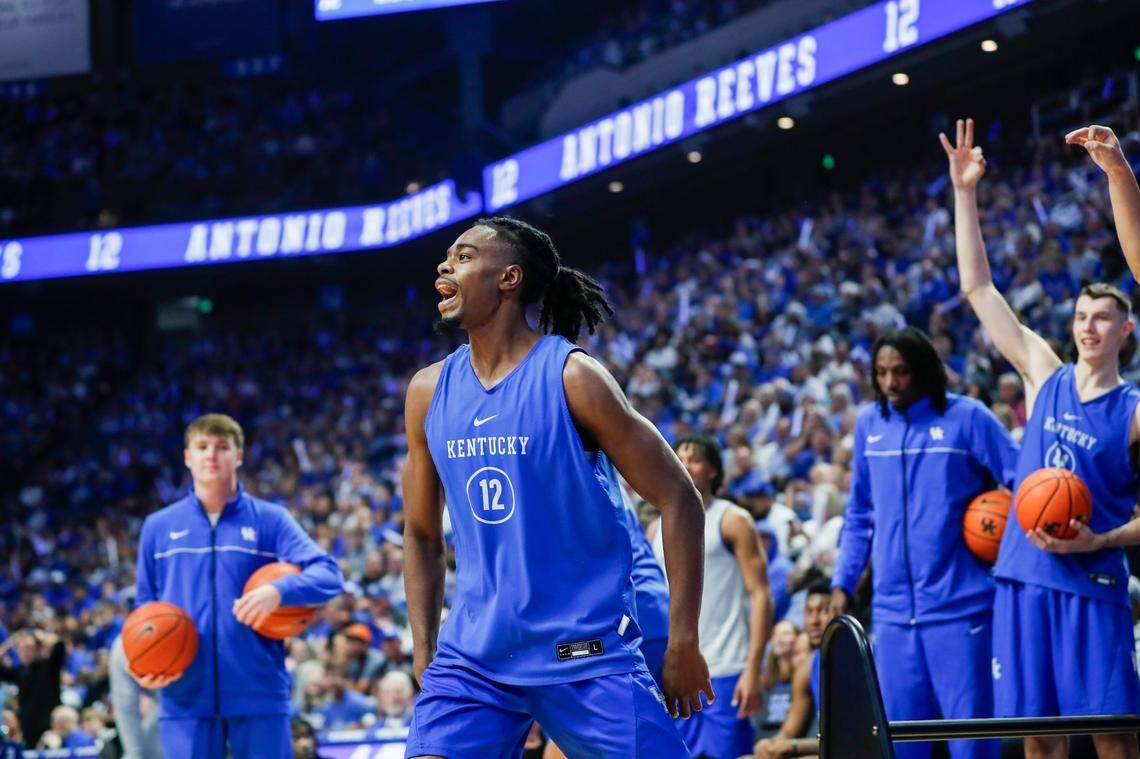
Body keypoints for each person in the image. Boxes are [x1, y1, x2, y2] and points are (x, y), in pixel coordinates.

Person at [402, 217, 711, 757]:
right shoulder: (427, 392)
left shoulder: (572, 377)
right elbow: (421, 533)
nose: (444, 266)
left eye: (465, 255)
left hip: (582, 653)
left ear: (509, 278)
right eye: (447, 257)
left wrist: (684, 639)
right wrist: (424, 646)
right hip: (474, 657)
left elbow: (679, 496)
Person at [943, 118, 1140, 759]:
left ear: (1124, 332)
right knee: (1038, 742)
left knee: (1114, 738)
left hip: (1094, 578)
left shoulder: (1134, 409)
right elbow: (977, 288)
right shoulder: (1042, 371)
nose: (1088, 326)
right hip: (1025, 575)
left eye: (1102, 318)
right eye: (1081, 315)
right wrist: (964, 193)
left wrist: (1103, 539)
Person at [829, 326, 1018, 759]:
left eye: (901, 372)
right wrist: (843, 583)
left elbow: (1025, 487)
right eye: (881, 373)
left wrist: (1004, 558)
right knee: (902, 747)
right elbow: (859, 516)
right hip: (893, 617)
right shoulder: (869, 426)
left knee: (972, 748)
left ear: (924, 371)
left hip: (962, 609)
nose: (890, 383)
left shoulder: (968, 418)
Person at [133, 413, 344, 759]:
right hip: (184, 696)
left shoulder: (271, 520)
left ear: (239, 456)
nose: (211, 455)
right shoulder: (157, 527)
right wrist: (145, 664)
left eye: (222, 447)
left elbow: (329, 574)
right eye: (202, 447)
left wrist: (279, 591)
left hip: (259, 691)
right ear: (187, 457)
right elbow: (145, 607)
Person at [649, 434, 774, 759]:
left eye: (695, 459)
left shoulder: (733, 520)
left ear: (714, 471)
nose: (686, 465)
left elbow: (761, 595)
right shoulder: (655, 529)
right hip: (675, 671)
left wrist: (753, 669)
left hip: (727, 668)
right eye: (680, 458)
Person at [753, 582, 834, 759]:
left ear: (842, 611)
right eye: (809, 612)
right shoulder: (806, 668)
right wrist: (771, 745)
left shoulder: (859, 661)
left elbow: (848, 739)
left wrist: (792, 746)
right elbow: (788, 732)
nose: (814, 621)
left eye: (823, 610)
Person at [0, 628, 65, 748]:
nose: (25, 652)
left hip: (49, 729)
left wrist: (37, 634)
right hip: (28, 729)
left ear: (38, 650)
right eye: (22, 648)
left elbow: (59, 645)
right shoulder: (20, 671)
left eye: (29, 648)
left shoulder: (48, 666)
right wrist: (11, 642)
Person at [108, 634, 162, 759]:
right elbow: (126, 707)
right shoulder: (122, 647)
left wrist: (134, 752)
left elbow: (126, 708)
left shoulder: (122, 644)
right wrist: (134, 752)